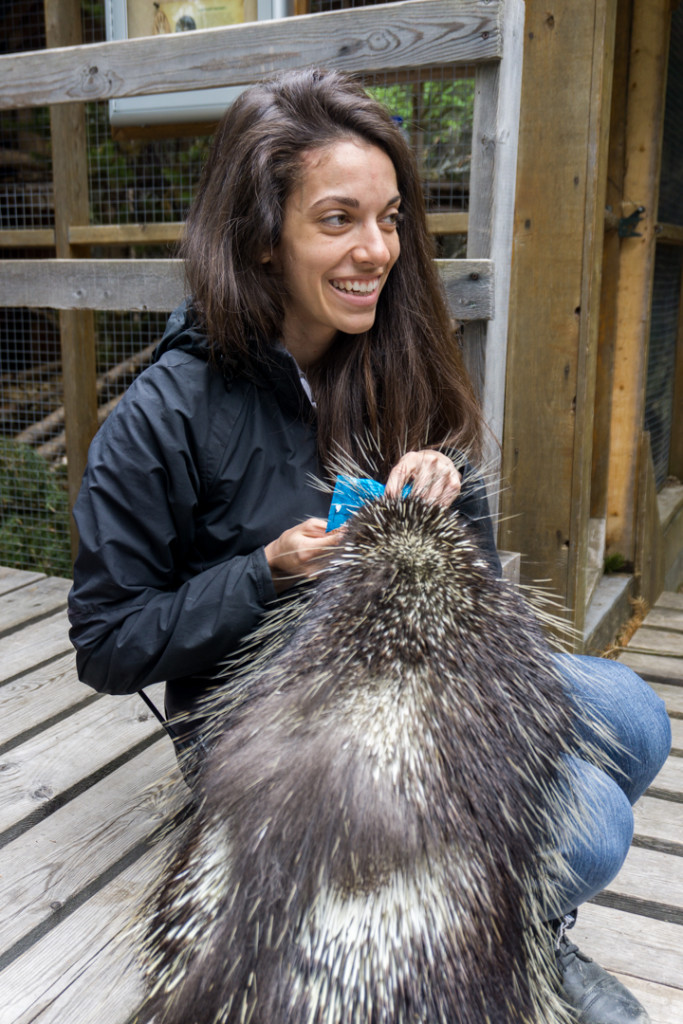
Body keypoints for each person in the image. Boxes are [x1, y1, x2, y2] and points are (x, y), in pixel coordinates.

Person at [67, 69, 670, 1024]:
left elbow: (463, 578)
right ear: (262, 238)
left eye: (389, 219)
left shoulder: (389, 351)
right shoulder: (159, 417)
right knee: (588, 826)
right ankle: (523, 942)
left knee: (635, 716)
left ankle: (513, 923)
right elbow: (106, 641)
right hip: (282, 729)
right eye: (338, 220)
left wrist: (445, 498)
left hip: (425, 673)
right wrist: (265, 570)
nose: (377, 250)